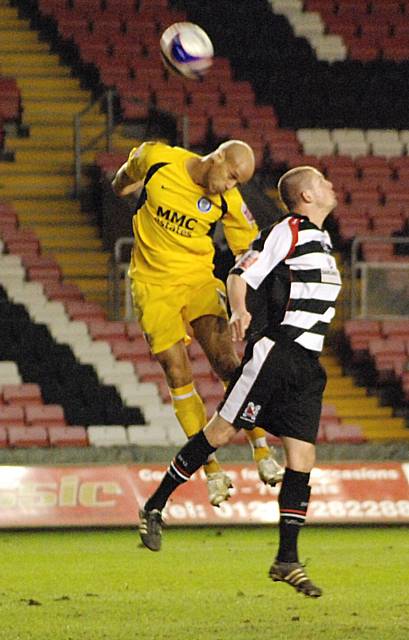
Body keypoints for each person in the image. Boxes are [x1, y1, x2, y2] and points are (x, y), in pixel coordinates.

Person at [138, 165, 341, 598]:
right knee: (220, 432)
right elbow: (239, 271)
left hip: (307, 364)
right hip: (276, 353)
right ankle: (154, 505)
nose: (330, 185)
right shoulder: (287, 229)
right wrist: (239, 310)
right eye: (322, 182)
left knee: (302, 458)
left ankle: (286, 560)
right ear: (305, 196)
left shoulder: (322, 241)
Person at [112, 139, 283, 506]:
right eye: (231, 177)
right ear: (218, 157)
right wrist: (129, 186)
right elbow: (122, 180)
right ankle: (211, 470)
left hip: (199, 281)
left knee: (227, 363)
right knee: (177, 372)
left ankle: (262, 452)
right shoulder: (156, 158)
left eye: (238, 182)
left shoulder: (229, 201)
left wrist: (245, 303)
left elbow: (247, 253)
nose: (230, 186)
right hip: (152, 286)